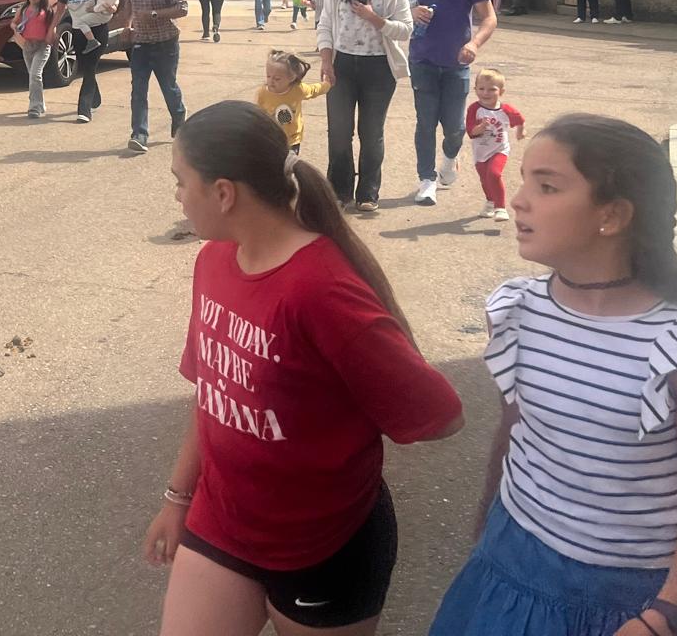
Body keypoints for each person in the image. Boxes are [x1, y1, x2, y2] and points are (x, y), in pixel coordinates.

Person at [144, 102, 463, 636]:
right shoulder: (215, 260)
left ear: (223, 193)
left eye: (181, 181)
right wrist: (178, 498)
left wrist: (337, 428)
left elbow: (441, 416)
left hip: (321, 547)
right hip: (222, 520)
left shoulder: (321, 290)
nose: (177, 196)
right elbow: (215, 395)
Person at [429, 115, 677, 636]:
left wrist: (662, 618)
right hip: (510, 566)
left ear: (612, 215)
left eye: (547, 187)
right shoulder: (516, 311)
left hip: (631, 602)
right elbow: (515, 430)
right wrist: (485, 529)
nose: (519, 201)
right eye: (524, 181)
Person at [404, 0, 498, 207]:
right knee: (425, 122)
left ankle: (449, 158)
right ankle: (426, 180)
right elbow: (396, 10)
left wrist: (474, 43)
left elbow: (489, 18)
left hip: (457, 63)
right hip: (422, 59)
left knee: (456, 128)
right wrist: (411, 12)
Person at [317, 0, 413, 214]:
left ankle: (368, 191)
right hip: (343, 65)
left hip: (379, 68)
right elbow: (325, 25)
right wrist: (326, 61)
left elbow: (406, 29)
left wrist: (375, 18)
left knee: (371, 133)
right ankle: (339, 190)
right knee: (339, 131)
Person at [114, 0, 189, 153]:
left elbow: (182, 9)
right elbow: (128, 4)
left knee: (168, 86)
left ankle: (179, 115)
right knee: (138, 88)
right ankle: (139, 134)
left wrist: (154, 14)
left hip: (165, 42)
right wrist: (127, 25)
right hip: (141, 42)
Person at [55, 0, 116, 123]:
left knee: (90, 67)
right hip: (78, 33)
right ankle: (95, 97)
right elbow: (59, 11)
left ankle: (84, 109)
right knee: (85, 67)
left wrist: (113, 7)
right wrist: (53, 29)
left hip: (97, 31)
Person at [465, 69, 524, 222]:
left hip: (499, 149)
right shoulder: (474, 109)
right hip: (480, 152)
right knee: (485, 180)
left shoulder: (505, 110)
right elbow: (471, 131)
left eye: (492, 89)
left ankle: (500, 208)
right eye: (481, 88)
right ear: (475, 89)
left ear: (501, 92)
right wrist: (481, 128)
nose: (486, 93)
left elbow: (519, 119)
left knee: (494, 174)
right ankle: (490, 202)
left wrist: (520, 132)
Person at [256, 50, 330, 154]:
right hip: (271, 138)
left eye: (277, 79)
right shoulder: (263, 93)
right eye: (268, 76)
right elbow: (257, 114)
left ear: (291, 77)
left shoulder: (298, 90)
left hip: (292, 139)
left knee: (288, 162)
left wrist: (327, 84)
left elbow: (314, 90)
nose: (271, 81)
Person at [10, 0, 56, 119]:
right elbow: (14, 22)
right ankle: (40, 103)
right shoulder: (24, 9)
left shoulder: (47, 11)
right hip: (27, 46)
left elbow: (52, 28)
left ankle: (34, 107)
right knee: (33, 77)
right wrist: (15, 29)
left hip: (42, 46)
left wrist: (51, 37)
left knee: (35, 75)